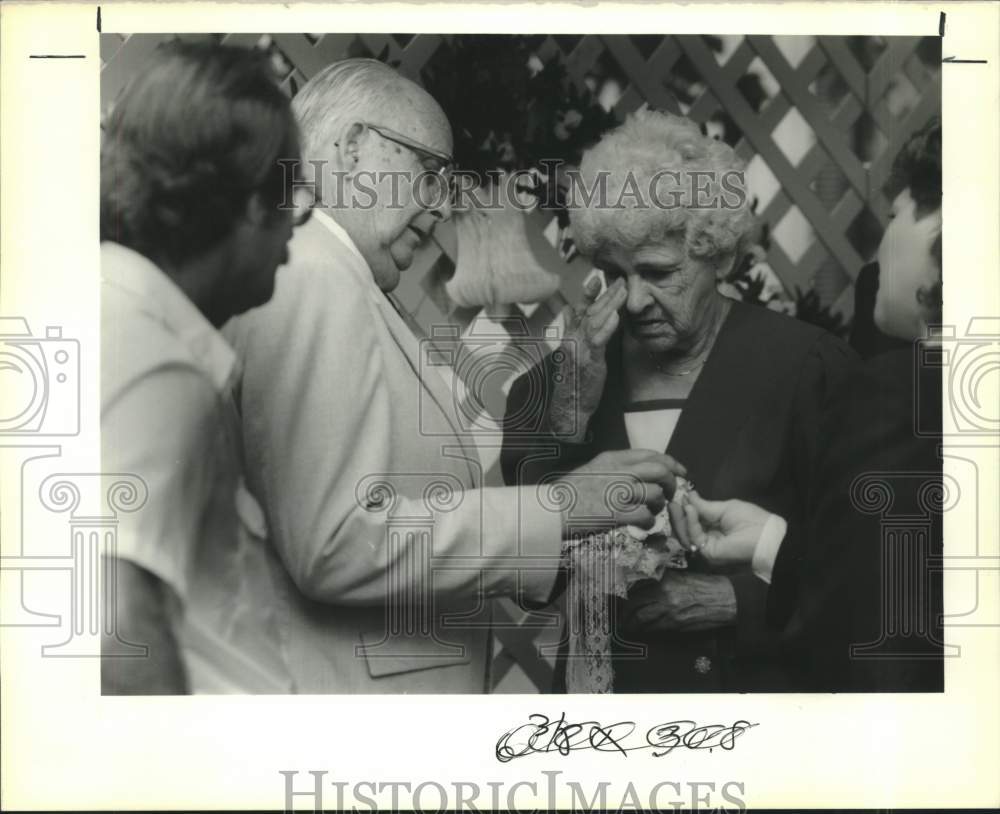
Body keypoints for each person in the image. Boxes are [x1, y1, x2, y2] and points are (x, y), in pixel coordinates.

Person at [222, 59, 682, 693]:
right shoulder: (313, 276)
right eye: (429, 172)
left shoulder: (340, 280)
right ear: (352, 150)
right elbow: (335, 544)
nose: (441, 206)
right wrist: (561, 507)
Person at [501, 109, 858, 692]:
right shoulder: (556, 382)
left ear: (718, 255)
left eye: (658, 272)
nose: (635, 300)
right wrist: (572, 408)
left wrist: (739, 601)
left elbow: (864, 568)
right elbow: (522, 571)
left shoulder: (806, 369)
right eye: (614, 274)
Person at [676, 119, 944, 691]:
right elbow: (924, 584)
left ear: (943, 224)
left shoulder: (905, 393)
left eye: (894, 218)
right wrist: (776, 544)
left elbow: (879, 643)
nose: (879, 248)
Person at [100, 41, 309, 693]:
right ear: (252, 203)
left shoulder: (102, 311)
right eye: (290, 191)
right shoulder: (159, 373)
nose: (299, 223)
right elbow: (118, 638)